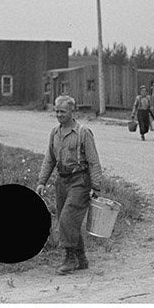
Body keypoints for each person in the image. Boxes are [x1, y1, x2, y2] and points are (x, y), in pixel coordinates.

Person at [36, 95, 106, 275]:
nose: (59, 115)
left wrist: (96, 186)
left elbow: (93, 161)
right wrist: (42, 181)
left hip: (80, 181)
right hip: (62, 181)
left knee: (67, 218)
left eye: (63, 111)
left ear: (72, 112)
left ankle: (69, 259)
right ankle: (81, 258)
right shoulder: (55, 133)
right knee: (68, 221)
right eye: (57, 111)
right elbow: (49, 159)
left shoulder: (83, 133)